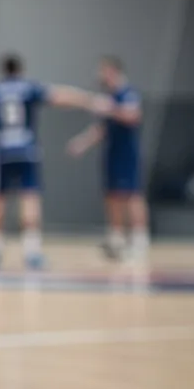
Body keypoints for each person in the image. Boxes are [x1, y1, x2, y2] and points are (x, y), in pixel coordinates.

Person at [0, 53, 110, 269]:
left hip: (2, 150)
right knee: (29, 198)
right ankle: (31, 251)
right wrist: (89, 100)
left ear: (2, 70)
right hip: (26, 150)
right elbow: (60, 96)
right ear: (21, 70)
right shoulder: (29, 87)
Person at [66, 56, 148, 260]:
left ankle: (139, 239)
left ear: (113, 71)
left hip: (127, 151)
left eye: (102, 71)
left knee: (131, 193)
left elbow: (133, 116)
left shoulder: (127, 93)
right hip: (111, 151)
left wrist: (111, 108)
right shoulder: (109, 96)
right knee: (111, 194)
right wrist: (82, 143)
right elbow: (102, 128)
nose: (99, 75)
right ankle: (116, 238)